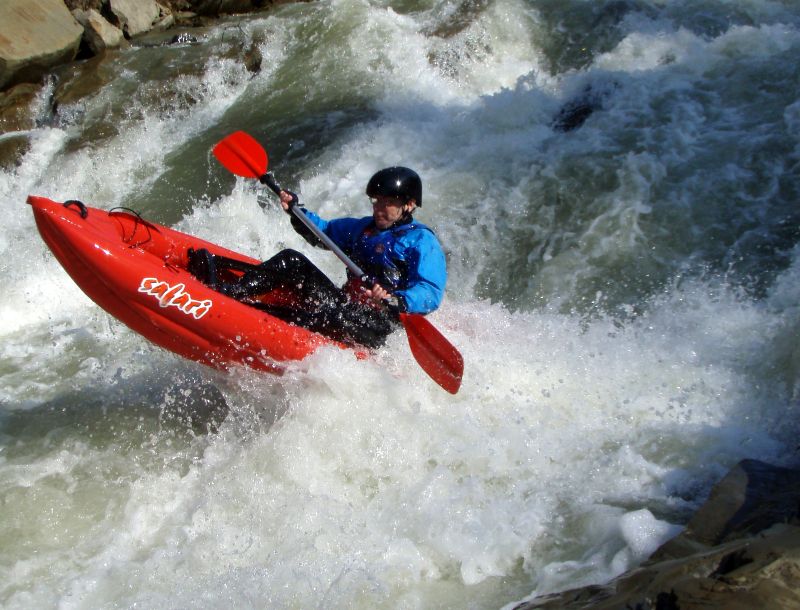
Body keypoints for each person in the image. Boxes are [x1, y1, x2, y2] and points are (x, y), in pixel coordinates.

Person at [188, 167, 447, 349]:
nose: (378, 208)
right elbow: (321, 232)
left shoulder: (422, 242)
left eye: (387, 202)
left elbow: (430, 291)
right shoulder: (362, 229)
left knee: (332, 315)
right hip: (346, 307)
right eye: (376, 201)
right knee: (292, 260)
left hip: (381, 327)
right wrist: (296, 210)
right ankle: (230, 293)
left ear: (409, 205)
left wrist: (395, 299)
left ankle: (257, 316)